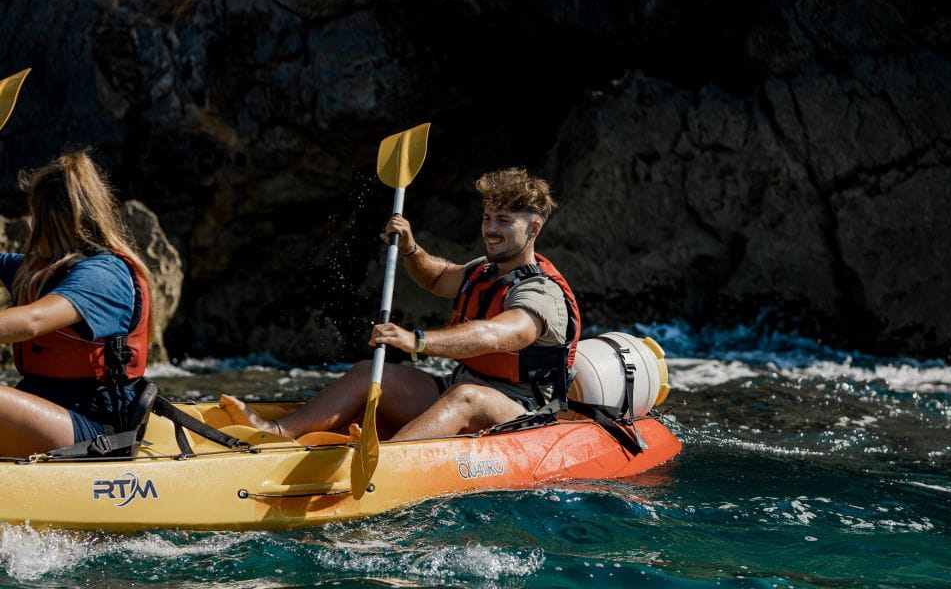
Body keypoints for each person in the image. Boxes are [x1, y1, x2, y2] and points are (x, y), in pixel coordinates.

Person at [221, 167, 580, 441]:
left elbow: (497, 335)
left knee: (469, 397)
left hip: (524, 413)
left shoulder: (541, 293)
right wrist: (411, 249)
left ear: (533, 229)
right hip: (458, 386)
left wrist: (418, 341)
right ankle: (277, 432)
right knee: (367, 372)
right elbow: (438, 278)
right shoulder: (484, 271)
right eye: (487, 218)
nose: (490, 228)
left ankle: (388, 460)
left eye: (504, 220)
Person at [0, 151, 152, 457]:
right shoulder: (40, 269)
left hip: (96, 431)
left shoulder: (104, 275)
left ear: (47, 218)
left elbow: (32, 322)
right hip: (53, 412)